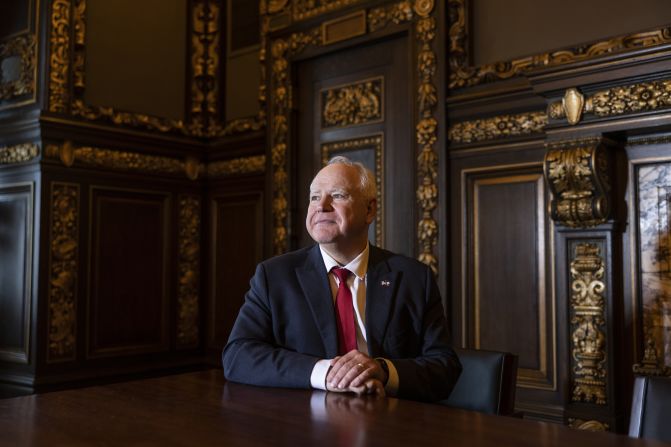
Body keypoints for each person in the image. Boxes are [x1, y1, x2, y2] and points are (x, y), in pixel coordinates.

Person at [222, 156, 461, 402]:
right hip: (303, 425)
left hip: (391, 422)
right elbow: (238, 356)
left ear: (369, 210)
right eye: (315, 197)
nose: (321, 206)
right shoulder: (274, 276)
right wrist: (326, 373)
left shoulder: (413, 277)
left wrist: (383, 371)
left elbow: (444, 367)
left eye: (337, 195)